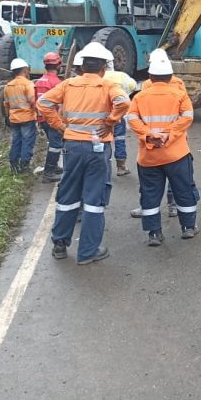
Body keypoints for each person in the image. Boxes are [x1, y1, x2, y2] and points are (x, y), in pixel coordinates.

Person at [38, 42, 130, 265]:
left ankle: (60, 244)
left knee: (68, 194)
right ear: (103, 67)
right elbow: (124, 102)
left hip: (72, 146)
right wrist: (110, 122)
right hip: (97, 149)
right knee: (93, 199)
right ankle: (88, 251)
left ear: (81, 66)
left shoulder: (68, 85)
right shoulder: (107, 86)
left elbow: (43, 103)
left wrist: (60, 126)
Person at [127, 48, 199, 244]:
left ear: (150, 75)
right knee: (183, 190)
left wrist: (149, 135)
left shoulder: (140, 97)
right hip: (177, 154)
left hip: (149, 156)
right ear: (170, 75)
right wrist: (170, 134)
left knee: (150, 193)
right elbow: (187, 117)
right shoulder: (179, 94)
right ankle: (188, 227)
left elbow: (132, 119)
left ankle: (154, 233)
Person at [3, 58, 38, 173]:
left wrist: (7, 117)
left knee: (16, 141)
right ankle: (24, 166)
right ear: (25, 70)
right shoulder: (28, 84)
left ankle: (13, 165)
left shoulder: (8, 86)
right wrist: (37, 114)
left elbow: (6, 104)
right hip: (27, 118)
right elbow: (33, 101)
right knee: (27, 141)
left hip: (14, 119)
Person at [35, 51, 65, 183]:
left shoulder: (39, 81)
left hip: (42, 118)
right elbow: (60, 105)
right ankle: (49, 172)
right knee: (56, 144)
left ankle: (53, 167)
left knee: (53, 143)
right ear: (59, 64)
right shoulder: (57, 83)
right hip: (53, 119)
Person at [103, 60, 137, 176]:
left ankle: (104, 165)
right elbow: (133, 86)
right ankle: (121, 167)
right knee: (119, 138)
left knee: (102, 139)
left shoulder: (98, 77)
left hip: (102, 114)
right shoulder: (121, 76)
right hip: (118, 113)